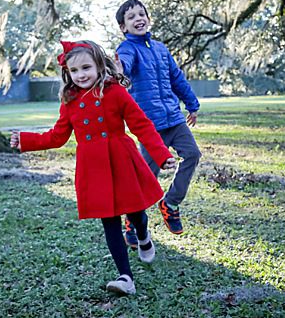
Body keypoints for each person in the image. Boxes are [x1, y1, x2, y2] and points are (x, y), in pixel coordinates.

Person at [10, 39, 175, 297]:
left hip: (121, 158)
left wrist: (161, 155)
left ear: (100, 65)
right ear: (68, 73)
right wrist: (26, 140)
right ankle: (125, 277)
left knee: (135, 213)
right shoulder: (70, 101)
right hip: (93, 166)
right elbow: (57, 136)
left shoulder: (116, 92)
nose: (81, 75)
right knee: (109, 221)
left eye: (86, 67)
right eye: (74, 71)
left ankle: (143, 236)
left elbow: (141, 125)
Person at [114, 0, 202, 239]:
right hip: (151, 126)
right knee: (147, 176)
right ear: (123, 27)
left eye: (141, 14)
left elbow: (177, 78)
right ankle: (133, 222)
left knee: (192, 155)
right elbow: (125, 67)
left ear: (148, 19)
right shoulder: (127, 49)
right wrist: (119, 69)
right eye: (131, 17)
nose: (138, 19)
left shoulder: (161, 49)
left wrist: (192, 104)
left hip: (174, 118)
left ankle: (170, 204)